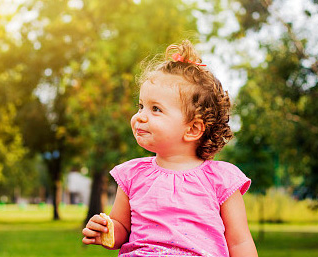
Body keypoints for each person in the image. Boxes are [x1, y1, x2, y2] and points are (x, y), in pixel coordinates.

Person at [82, 39, 258, 257]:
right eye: (140, 106)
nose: (140, 116)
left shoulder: (221, 180)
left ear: (193, 129)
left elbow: (240, 243)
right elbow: (123, 228)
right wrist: (108, 231)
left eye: (155, 109)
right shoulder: (132, 175)